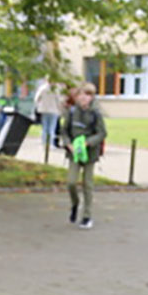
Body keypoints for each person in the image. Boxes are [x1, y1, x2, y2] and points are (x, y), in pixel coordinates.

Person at [60, 83, 106, 228]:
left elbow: (102, 133)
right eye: (81, 95)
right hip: (74, 153)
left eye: (87, 95)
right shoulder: (72, 112)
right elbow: (64, 131)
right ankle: (75, 204)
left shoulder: (96, 114)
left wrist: (88, 143)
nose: (83, 98)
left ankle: (87, 215)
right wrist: (68, 144)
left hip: (90, 154)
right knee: (71, 182)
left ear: (92, 97)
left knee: (88, 184)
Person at [33, 77, 63, 150]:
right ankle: (51, 144)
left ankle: (44, 144)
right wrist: (60, 110)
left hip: (44, 110)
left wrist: (39, 105)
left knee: (44, 128)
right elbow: (59, 100)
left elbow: (36, 99)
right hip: (54, 110)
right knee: (52, 128)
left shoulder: (42, 88)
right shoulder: (56, 89)